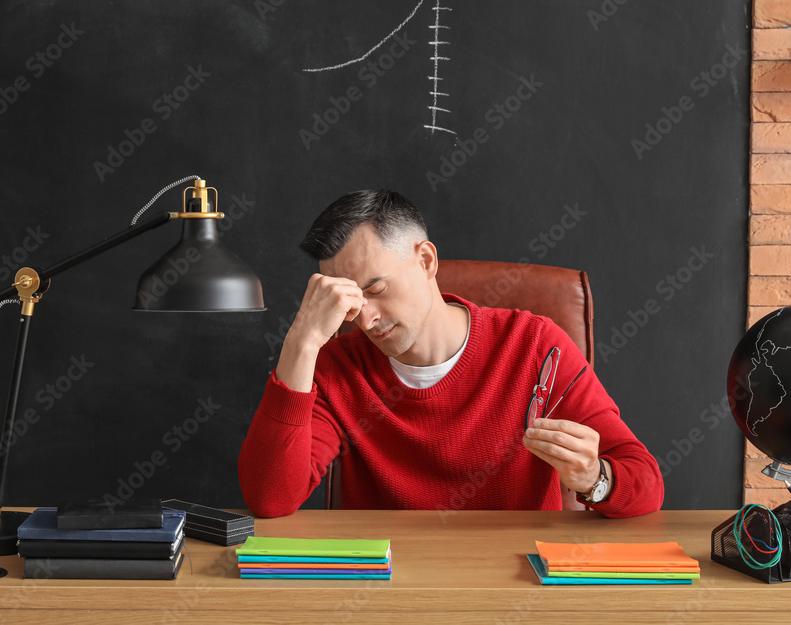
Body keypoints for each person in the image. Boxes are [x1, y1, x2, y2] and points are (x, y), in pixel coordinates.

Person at [239, 190, 663, 518]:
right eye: (348, 300)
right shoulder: (338, 366)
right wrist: (301, 343)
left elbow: (645, 482)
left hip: (518, 589)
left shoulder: (535, 346)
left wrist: (595, 479)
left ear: (425, 260)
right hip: (386, 591)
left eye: (376, 289)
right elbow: (270, 499)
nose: (365, 319)